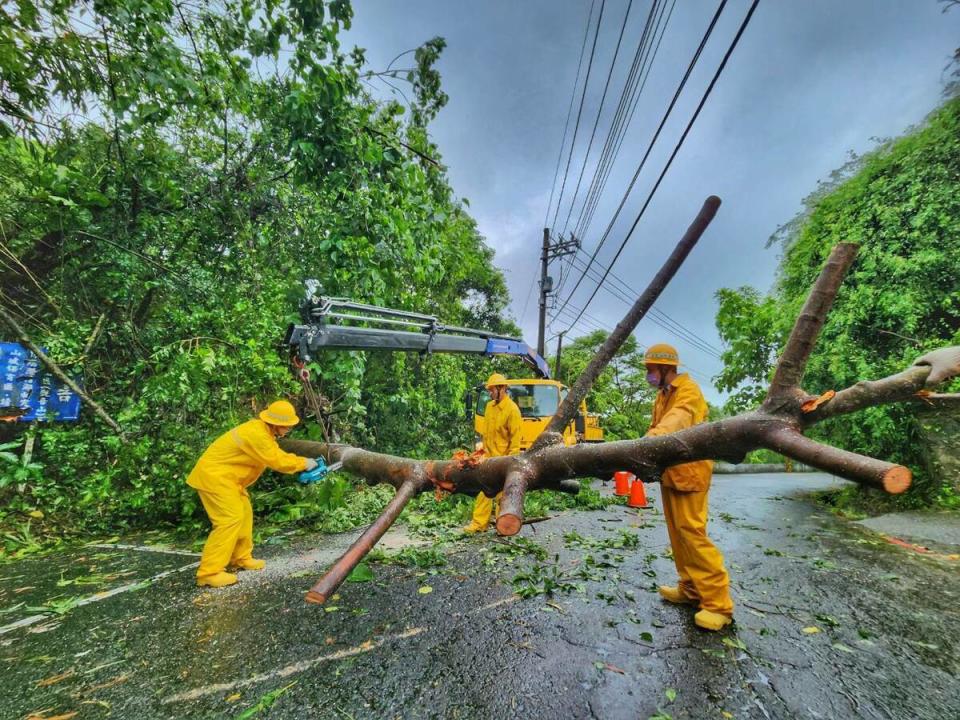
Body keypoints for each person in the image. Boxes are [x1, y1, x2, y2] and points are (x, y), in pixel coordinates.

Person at [644, 344, 734, 631]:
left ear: (666, 368)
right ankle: (691, 589)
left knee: (692, 534)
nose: (648, 375)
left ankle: (718, 605)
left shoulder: (688, 391)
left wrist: (651, 440)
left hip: (690, 474)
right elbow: (658, 425)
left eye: (651, 369)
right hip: (671, 473)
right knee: (677, 534)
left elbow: (677, 420)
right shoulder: (662, 395)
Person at [187, 400, 318, 588]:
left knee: (245, 514)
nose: (289, 428)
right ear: (276, 423)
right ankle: (209, 572)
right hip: (215, 478)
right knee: (229, 519)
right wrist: (304, 463)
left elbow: (273, 454)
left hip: (229, 480)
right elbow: (277, 460)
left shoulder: (263, 432)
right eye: (287, 425)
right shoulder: (257, 435)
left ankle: (240, 558)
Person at [462, 373, 522, 534]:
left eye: (491, 390)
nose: (490, 393)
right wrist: (480, 453)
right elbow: (486, 434)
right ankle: (479, 524)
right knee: (484, 493)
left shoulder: (512, 410)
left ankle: (501, 525)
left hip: (503, 461)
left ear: (501, 389)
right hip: (487, 459)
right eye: (488, 390)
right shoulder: (489, 407)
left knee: (502, 495)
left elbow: (515, 441)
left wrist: (511, 463)